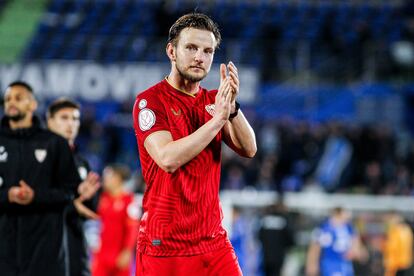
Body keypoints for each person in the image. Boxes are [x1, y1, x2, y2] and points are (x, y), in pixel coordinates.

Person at [132, 13, 257, 275]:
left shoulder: (215, 102)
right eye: (191, 48)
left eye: (208, 50)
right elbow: (167, 159)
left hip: (212, 241)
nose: (200, 56)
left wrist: (232, 109)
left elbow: (249, 148)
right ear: (171, 51)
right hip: (164, 244)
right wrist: (217, 121)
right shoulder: (150, 102)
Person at [0, 81, 81, 276]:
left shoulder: (55, 143)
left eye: (18, 98)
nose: (11, 102)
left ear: (33, 104)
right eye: (8, 99)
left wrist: (36, 196)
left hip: (45, 255)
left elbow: (71, 191)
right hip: (3, 255)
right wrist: (6, 196)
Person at [47, 98, 100, 276]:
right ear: (50, 121)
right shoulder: (37, 159)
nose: (71, 123)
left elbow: (91, 208)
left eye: (75, 119)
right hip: (45, 247)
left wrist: (88, 198)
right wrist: (71, 204)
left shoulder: (82, 162)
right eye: (64, 118)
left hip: (76, 246)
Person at [91, 164, 139, 276]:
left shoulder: (129, 201)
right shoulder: (103, 199)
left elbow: (133, 229)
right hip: (101, 255)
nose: (105, 180)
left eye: (109, 176)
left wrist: (127, 252)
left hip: (120, 256)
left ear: (118, 179)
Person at [306, 207, 367, 276]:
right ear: (338, 214)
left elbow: (357, 246)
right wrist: (312, 265)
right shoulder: (324, 228)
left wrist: (357, 253)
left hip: (346, 264)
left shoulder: (349, 228)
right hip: (330, 263)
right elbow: (314, 248)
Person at [258, 197, 295, 276]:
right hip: (278, 257)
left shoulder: (264, 220)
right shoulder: (284, 220)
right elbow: (290, 239)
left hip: (266, 256)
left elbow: (259, 237)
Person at [383, 211, 413, 276]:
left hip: (397, 264)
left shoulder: (398, 231)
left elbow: (393, 247)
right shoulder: (406, 230)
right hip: (403, 263)